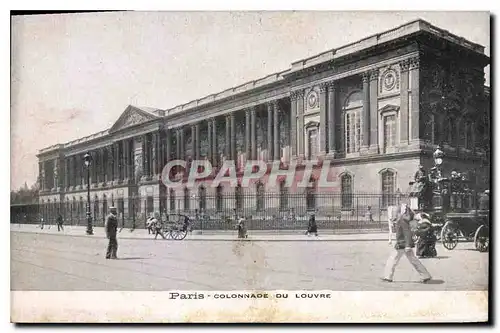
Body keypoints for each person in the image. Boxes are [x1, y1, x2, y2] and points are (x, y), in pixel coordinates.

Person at [381, 203, 432, 283]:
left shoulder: (402, 220)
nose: (393, 214)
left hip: (402, 244)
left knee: (392, 259)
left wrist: (407, 245)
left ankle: (388, 277)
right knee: (413, 260)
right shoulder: (404, 219)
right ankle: (425, 275)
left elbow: (407, 232)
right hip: (405, 244)